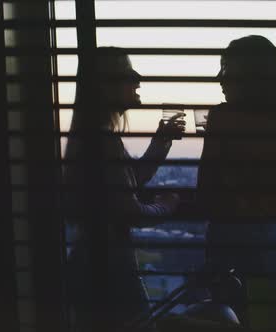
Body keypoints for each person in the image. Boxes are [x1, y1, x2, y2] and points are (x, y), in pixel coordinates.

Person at [63, 47, 185, 331]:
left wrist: (161, 140)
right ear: (106, 85)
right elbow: (129, 211)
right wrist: (166, 205)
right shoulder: (102, 141)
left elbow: (127, 181)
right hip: (110, 267)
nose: (139, 80)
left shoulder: (96, 137)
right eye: (129, 73)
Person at [197, 35, 276, 329]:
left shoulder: (223, 118)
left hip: (230, 246)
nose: (220, 79)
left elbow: (206, 189)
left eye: (227, 70)